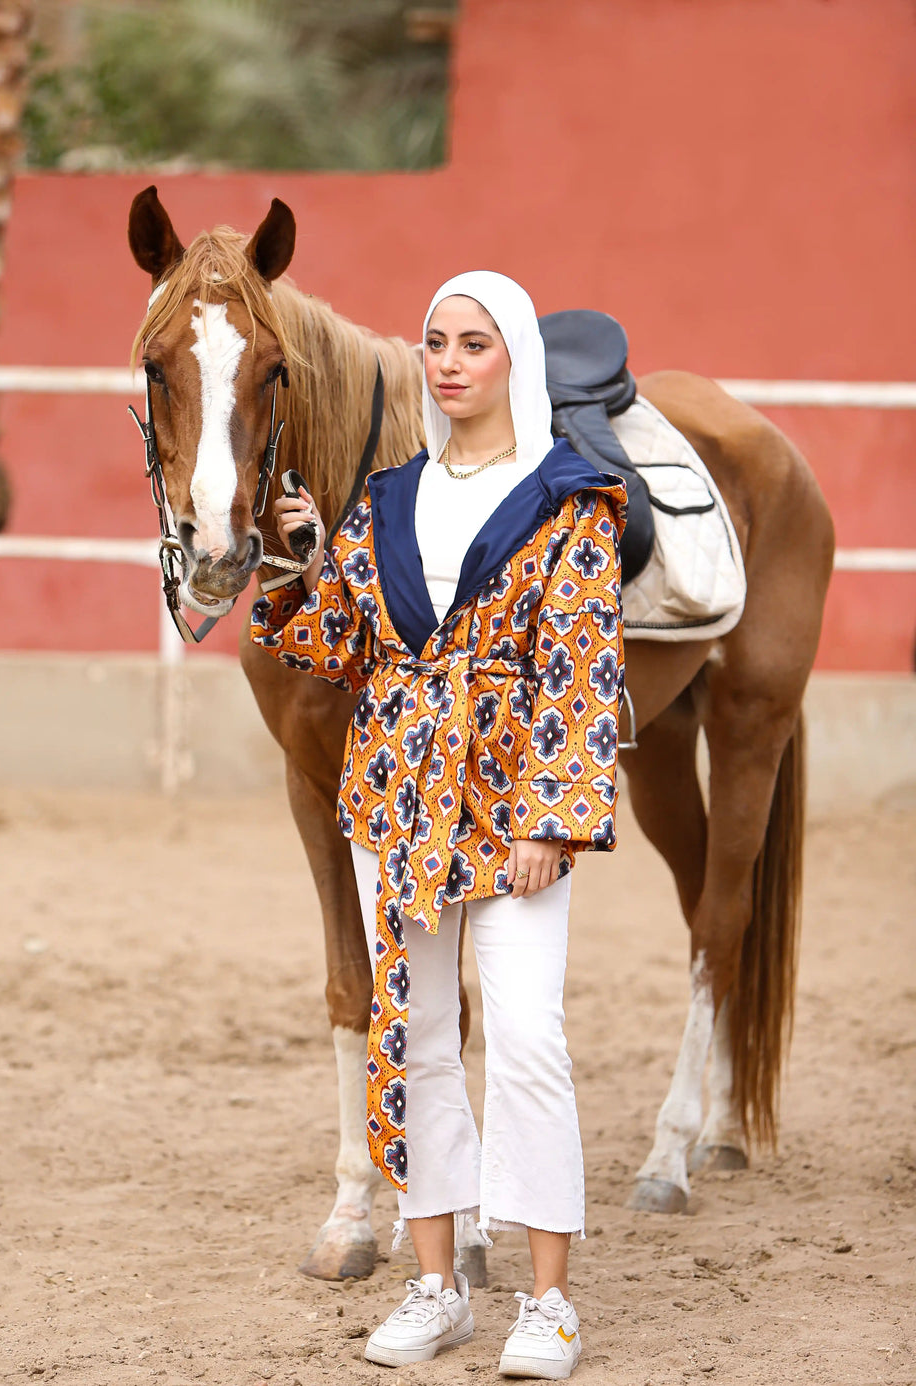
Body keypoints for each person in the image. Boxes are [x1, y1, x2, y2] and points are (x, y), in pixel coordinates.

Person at [251, 271, 626, 1380]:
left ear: (515, 357)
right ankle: (436, 1286)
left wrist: (552, 820)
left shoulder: (572, 499)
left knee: (523, 1039)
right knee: (412, 1038)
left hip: (513, 804)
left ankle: (547, 1302)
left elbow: (581, 670)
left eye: (474, 342)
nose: (450, 361)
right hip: (395, 800)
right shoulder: (387, 498)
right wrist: (303, 551)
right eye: (435, 342)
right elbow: (339, 646)